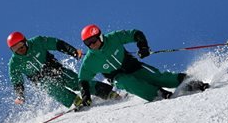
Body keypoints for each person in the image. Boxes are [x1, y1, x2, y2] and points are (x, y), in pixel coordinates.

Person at [77, 24, 208, 104]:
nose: (92, 45)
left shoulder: (113, 38)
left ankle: (190, 82)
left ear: (99, 36)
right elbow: (83, 79)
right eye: (87, 43)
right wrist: (86, 97)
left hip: (132, 65)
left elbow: (135, 34)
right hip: (116, 76)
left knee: (157, 77)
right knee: (127, 82)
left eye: (93, 41)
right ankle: (157, 93)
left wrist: (143, 47)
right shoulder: (90, 60)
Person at [6, 31, 117, 108]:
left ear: (25, 41)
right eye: (15, 48)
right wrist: (20, 95)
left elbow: (57, 44)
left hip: (56, 70)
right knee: (50, 89)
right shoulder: (14, 63)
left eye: (21, 45)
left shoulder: (37, 42)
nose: (20, 49)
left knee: (76, 82)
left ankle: (108, 93)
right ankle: (76, 101)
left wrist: (73, 51)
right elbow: (17, 82)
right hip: (41, 80)